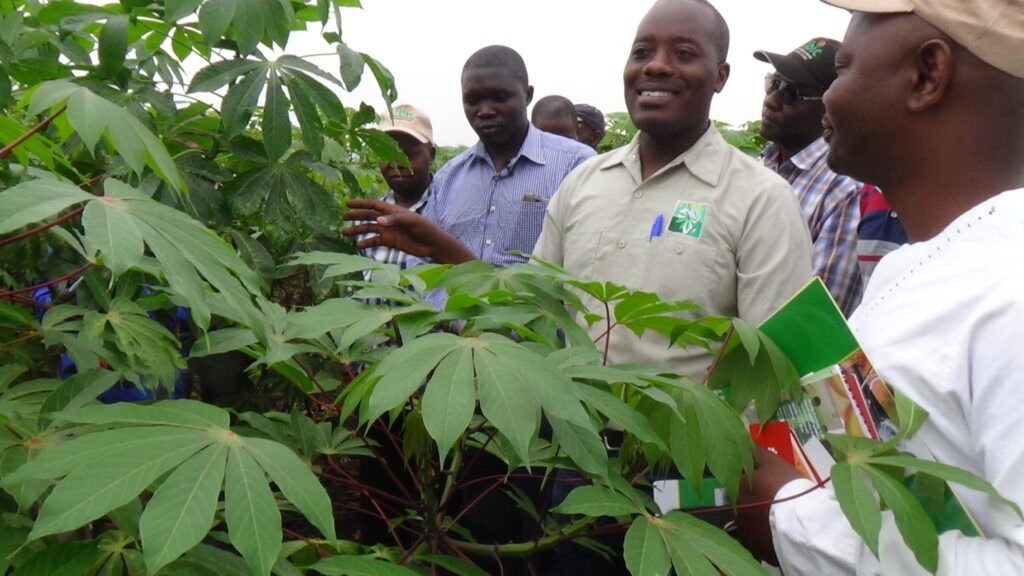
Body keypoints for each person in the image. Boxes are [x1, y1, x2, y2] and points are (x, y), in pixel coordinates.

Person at [736, 1, 1024, 575]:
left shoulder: (1010, 294)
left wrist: (785, 517)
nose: (832, 98)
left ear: (925, 75)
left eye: (841, 70)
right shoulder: (914, 265)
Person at [413, 45, 594, 268]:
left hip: (534, 303)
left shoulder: (576, 164)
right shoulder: (448, 177)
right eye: (472, 101)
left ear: (527, 95)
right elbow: (422, 260)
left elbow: (589, 259)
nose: (485, 110)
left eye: (499, 98)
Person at [755, 37, 864, 316]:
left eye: (790, 92)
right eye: (772, 84)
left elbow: (816, 314)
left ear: (830, 105)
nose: (772, 100)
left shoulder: (844, 188)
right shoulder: (757, 167)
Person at [356, 104, 436, 270]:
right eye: (387, 153)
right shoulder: (366, 218)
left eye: (408, 155)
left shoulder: (451, 213)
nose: (397, 163)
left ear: (431, 155)